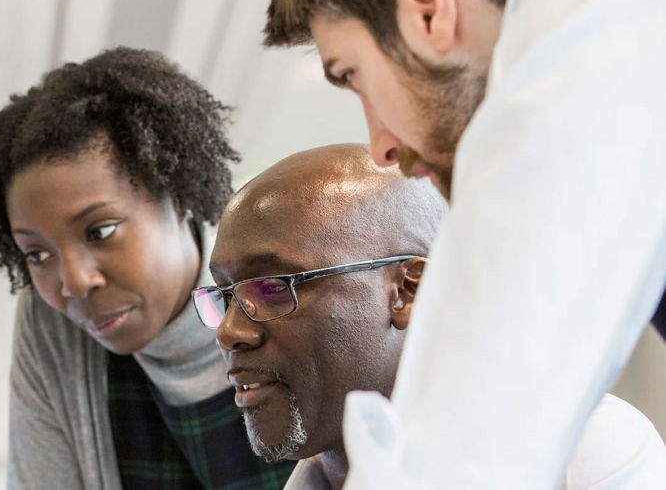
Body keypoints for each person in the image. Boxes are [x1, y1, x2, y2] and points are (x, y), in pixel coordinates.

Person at [259, 0, 666, 487]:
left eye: (353, 75)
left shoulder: (574, 84)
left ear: (429, 14)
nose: (381, 147)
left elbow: (461, 458)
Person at [197, 144, 666, 489]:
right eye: (224, 295)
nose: (229, 330)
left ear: (407, 290)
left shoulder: (584, 451)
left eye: (275, 287)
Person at [0, 47, 296, 489]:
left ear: (176, 196)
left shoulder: (283, 289)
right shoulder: (52, 328)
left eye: (100, 231)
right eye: (37, 254)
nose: (73, 283)